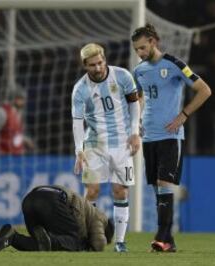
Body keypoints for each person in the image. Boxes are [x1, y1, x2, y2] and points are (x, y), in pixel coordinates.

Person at [131, 24, 211, 252]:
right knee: (158, 189)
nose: (140, 53)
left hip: (170, 136)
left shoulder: (175, 65)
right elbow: (140, 98)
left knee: (164, 183)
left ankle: (161, 238)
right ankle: (169, 242)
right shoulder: (139, 70)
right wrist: (137, 124)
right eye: (137, 49)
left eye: (143, 48)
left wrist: (184, 114)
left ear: (154, 42)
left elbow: (205, 90)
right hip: (149, 138)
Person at [71, 43, 141, 252]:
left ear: (104, 59)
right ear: (85, 65)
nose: (98, 68)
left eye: (100, 62)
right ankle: (85, 240)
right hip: (95, 143)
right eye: (93, 65)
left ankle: (120, 242)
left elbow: (134, 104)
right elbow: (77, 122)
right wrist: (79, 150)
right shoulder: (80, 89)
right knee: (92, 191)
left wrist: (135, 132)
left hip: (122, 143)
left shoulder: (122, 76)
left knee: (120, 191)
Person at [0, 185, 114, 252]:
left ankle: (11, 237)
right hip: (52, 201)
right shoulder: (100, 217)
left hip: (30, 199)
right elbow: (98, 244)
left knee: (42, 244)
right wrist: (86, 245)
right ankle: (19, 238)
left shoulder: (87, 210)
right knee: (75, 243)